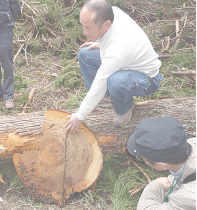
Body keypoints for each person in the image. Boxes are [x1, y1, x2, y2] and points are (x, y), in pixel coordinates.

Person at [65, 0, 163, 131]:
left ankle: (124, 109)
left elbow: (100, 81)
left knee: (115, 81)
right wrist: (101, 45)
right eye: (83, 26)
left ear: (106, 25)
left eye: (88, 28)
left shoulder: (117, 52)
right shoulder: (113, 12)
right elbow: (124, 35)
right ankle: (107, 98)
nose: (84, 32)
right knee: (85, 54)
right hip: (125, 61)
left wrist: (79, 116)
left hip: (147, 78)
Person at [127, 116, 196, 209]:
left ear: (162, 165)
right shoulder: (192, 142)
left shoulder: (187, 197)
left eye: (143, 159)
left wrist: (154, 187)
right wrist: (174, 180)